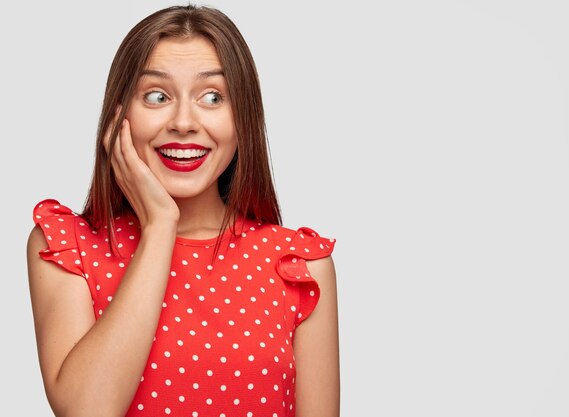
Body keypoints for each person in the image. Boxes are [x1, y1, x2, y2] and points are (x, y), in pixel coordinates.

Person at [26, 5, 339, 417]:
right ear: (120, 115)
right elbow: (87, 410)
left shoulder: (299, 266)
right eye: (156, 96)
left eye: (213, 97)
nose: (184, 122)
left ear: (242, 118)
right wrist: (159, 225)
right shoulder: (67, 247)